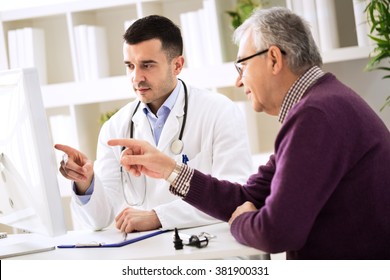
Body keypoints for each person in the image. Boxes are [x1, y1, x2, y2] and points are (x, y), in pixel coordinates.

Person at [108, 7, 390, 259]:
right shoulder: (322, 104)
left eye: (242, 65)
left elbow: (276, 232)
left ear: (274, 59)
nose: (238, 79)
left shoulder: (316, 115)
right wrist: (169, 169)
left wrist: (239, 222)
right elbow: (247, 194)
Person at [55, 15, 253, 233]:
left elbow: (235, 196)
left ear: (177, 65)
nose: (136, 77)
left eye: (147, 65)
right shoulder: (115, 128)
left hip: (208, 252)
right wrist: (85, 182)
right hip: (148, 255)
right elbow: (100, 219)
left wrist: (159, 217)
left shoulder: (220, 111)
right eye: (130, 66)